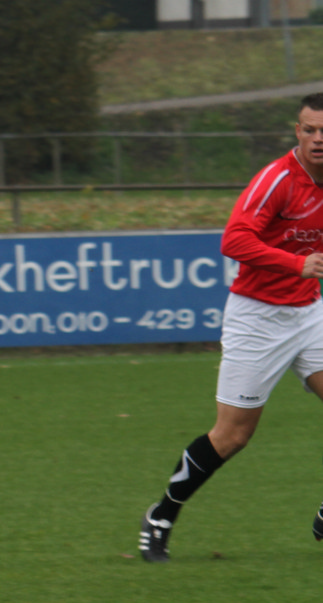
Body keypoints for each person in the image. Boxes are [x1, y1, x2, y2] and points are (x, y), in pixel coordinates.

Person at [138, 94, 323, 561]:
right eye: (309, 130)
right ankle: (161, 515)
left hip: (309, 312)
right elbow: (234, 239)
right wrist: (296, 264)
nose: (318, 139)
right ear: (297, 131)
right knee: (233, 436)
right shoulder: (277, 179)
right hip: (257, 317)